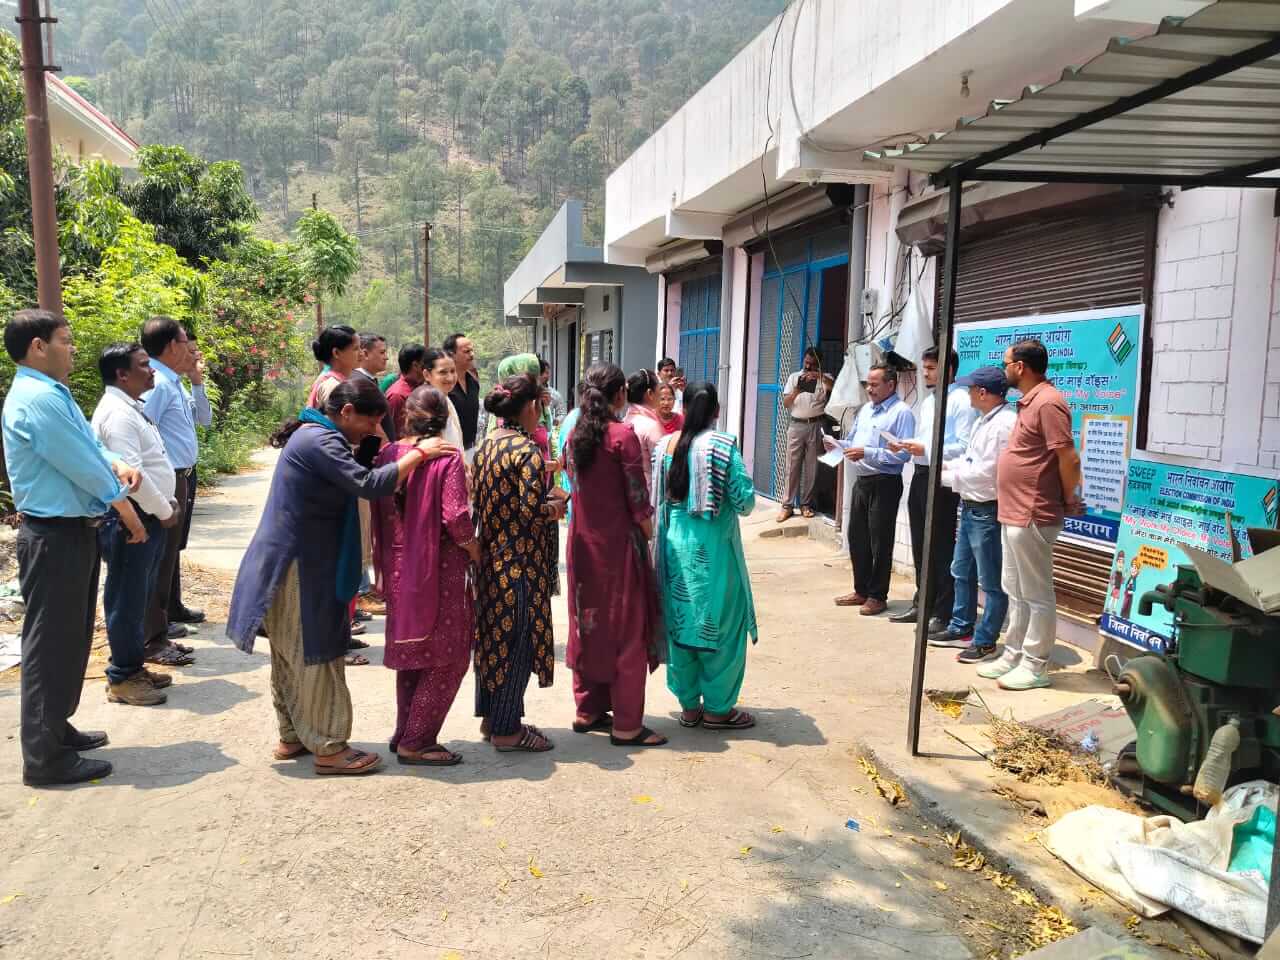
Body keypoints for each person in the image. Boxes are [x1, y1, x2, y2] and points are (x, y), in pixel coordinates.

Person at [226, 378, 453, 775]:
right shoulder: (319, 441)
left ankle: (294, 735)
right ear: (346, 412)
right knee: (315, 653)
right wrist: (420, 453)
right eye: (370, 422)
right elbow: (368, 484)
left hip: (294, 560)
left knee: (290, 654)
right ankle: (329, 747)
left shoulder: (317, 436)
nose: (374, 430)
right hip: (296, 564)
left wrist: (373, 447)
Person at [3, 309, 145, 786]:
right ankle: (44, 759)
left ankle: (56, 729)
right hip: (54, 535)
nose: (72, 348)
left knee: (71, 638)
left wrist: (116, 461)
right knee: (50, 646)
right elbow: (80, 465)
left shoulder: (50, 392)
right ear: (38, 346)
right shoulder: (38, 399)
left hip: (69, 532)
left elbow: (87, 445)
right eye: (65, 340)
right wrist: (124, 505)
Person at [370, 386, 479, 766]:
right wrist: (474, 548)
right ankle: (417, 740)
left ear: (406, 417)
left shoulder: (389, 454)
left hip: (399, 565)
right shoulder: (446, 457)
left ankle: (405, 731)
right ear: (445, 420)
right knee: (449, 657)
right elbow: (455, 516)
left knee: (414, 654)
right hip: (439, 567)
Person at [565, 364, 666, 747]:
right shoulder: (622, 436)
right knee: (627, 629)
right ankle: (626, 724)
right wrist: (649, 533)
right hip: (617, 547)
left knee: (587, 622)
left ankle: (588, 709)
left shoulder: (575, 435)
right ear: (621, 394)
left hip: (582, 544)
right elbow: (637, 498)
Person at [977, 339, 1084, 692]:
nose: (1004, 369)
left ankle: (1036, 664)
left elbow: (1068, 458)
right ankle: (1013, 654)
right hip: (1013, 511)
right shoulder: (1029, 402)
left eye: (1006, 363)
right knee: (1015, 589)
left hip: (1033, 512)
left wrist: (1068, 498)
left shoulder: (1049, 403)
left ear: (1020, 367)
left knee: (1037, 594)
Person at [651, 381, 758, 731]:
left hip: (674, 547)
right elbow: (744, 502)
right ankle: (717, 709)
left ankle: (689, 706)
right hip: (714, 551)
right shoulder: (722, 446)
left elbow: (657, 497)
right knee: (721, 626)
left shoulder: (666, 445)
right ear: (716, 411)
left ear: (683, 408)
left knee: (682, 624)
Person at [471, 373, 565, 753]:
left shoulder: (487, 445)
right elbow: (530, 512)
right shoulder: (526, 451)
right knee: (518, 645)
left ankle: (493, 718)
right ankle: (507, 731)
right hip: (520, 564)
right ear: (530, 407)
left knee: (492, 643)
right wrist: (556, 506)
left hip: (491, 561)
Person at [92, 343, 182, 707]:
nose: (152, 370)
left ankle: (132, 667)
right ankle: (123, 677)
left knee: (137, 596)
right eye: (144, 365)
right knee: (127, 599)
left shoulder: (131, 407)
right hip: (132, 519)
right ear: (122, 374)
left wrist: (163, 506)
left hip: (148, 515)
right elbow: (132, 478)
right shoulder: (117, 415)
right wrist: (163, 510)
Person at [929, 367, 1017, 664]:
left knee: (991, 580)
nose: (967, 393)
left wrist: (945, 477)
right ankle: (961, 626)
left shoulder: (1004, 424)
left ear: (983, 392)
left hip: (987, 509)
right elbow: (971, 461)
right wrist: (949, 469)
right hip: (970, 506)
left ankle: (986, 640)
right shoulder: (984, 420)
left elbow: (988, 472)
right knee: (961, 570)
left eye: (970, 389)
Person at [888, 346, 976, 627]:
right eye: (924, 367)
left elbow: (964, 447)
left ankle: (942, 610)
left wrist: (925, 448)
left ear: (948, 369)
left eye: (930, 368)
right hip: (921, 474)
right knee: (919, 543)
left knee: (940, 545)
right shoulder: (929, 401)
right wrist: (907, 445)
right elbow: (925, 441)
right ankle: (922, 603)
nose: (924, 373)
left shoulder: (961, 401)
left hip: (943, 479)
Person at [139, 317, 209, 667]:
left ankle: (163, 623)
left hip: (182, 475)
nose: (192, 352)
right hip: (167, 478)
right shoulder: (158, 384)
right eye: (186, 344)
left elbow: (203, 419)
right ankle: (154, 633)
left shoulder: (172, 382)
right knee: (160, 556)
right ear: (170, 346)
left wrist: (197, 382)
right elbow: (143, 430)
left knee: (170, 552)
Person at [832, 364, 915, 617]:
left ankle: (878, 596)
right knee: (857, 536)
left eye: (875, 384)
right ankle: (861, 589)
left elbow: (903, 454)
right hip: (862, 480)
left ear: (891, 385)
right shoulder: (866, 410)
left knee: (880, 540)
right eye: (868, 384)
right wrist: (837, 444)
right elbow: (854, 440)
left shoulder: (902, 413)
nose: (869, 389)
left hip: (885, 482)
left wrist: (867, 452)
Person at [778, 347, 834, 522]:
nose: (808, 367)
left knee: (812, 467)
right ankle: (787, 505)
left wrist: (819, 376)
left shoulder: (825, 378)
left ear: (819, 364)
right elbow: (786, 403)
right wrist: (797, 390)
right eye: (806, 363)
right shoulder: (794, 377)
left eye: (813, 364)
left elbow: (834, 388)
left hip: (816, 425)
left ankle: (806, 504)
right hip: (796, 425)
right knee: (792, 466)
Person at [443, 332, 481, 462]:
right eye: (466, 351)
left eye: (472, 350)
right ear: (451, 355)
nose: (472, 355)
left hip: (471, 449)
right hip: (449, 452)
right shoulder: (444, 386)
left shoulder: (473, 381)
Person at [421, 347, 466, 450]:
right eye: (443, 372)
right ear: (427, 375)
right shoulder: (427, 404)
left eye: (453, 371)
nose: (450, 378)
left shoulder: (444, 397)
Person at [353, 333, 394, 441]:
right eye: (382, 352)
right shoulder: (361, 383)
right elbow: (374, 425)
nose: (386, 357)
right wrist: (388, 447)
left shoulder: (367, 380)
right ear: (365, 354)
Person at [307, 325, 360, 410]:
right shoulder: (331, 386)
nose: (361, 353)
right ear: (336, 353)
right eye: (356, 349)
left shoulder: (339, 381)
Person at [622, 368, 665, 472]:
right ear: (650, 393)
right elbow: (662, 465)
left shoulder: (624, 421)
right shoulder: (651, 427)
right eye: (659, 389)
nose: (661, 394)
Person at [385, 343, 427, 439]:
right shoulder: (397, 395)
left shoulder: (422, 387)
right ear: (415, 365)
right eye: (426, 362)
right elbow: (396, 434)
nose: (430, 366)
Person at [539, 357, 566, 423]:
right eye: (543, 372)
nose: (545, 375)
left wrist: (556, 421)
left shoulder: (554, 394)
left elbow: (562, 413)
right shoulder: (528, 392)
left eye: (547, 373)